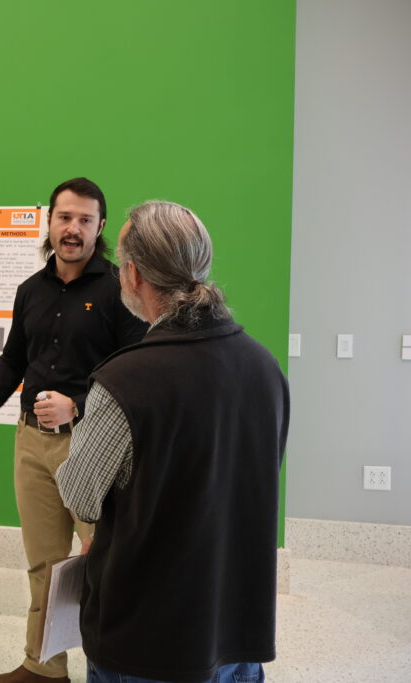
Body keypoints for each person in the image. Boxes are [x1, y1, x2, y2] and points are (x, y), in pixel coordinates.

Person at [57, 201, 290, 683]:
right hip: (235, 627)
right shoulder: (264, 368)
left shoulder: (124, 381)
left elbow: (79, 496)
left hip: (146, 640)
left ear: (135, 275)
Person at [0, 178, 147, 683]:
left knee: (103, 565)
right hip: (32, 446)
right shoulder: (30, 291)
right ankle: (43, 668)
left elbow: (134, 370)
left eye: (85, 220)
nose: (73, 229)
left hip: (93, 447)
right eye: (65, 217)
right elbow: (14, 359)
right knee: (44, 565)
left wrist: (77, 406)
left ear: (100, 228)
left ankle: (111, 670)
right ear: (50, 221)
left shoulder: (118, 290)